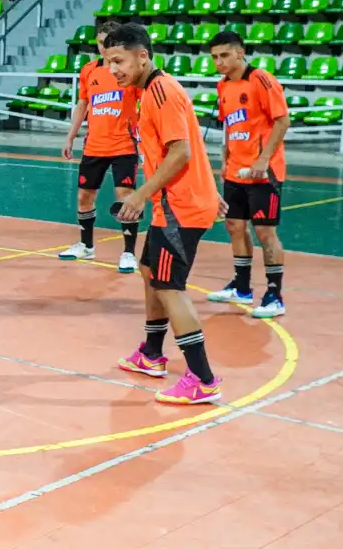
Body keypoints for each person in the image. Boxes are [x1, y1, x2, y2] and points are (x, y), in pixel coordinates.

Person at [105, 24, 224, 405]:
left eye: (119, 61)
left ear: (142, 56)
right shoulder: (146, 91)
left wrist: (140, 194)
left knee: (171, 287)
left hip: (180, 208)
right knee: (149, 272)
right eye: (108, 62)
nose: (113, 70)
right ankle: (152, 354)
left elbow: (181, 153)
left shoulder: (161, 91)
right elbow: (188, 148)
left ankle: (203, 378)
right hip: (174, 203)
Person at [205, 32, 290, 319]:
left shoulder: (261, 79)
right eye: (214, 57)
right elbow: (230, 125)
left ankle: (274, 295)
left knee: (265, 232)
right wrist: (225, 159)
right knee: (234, 226)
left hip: (264, 173)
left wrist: (263, 159)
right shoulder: (222, 86)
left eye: (224, 55)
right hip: (235, 171)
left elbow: (282, 120)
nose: (219, 62)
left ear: (240, 53)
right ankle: (242, 287)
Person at [59, 21, 142, 272]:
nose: (103, 47)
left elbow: (145, 104)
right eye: (99, 42)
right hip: (94, 144)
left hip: (123, 145)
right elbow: (83, 105)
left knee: (125, 197)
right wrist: (70, 137)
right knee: (85, 196)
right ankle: (86, 246)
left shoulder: (129, 72)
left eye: (108, 42)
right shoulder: (89, 71)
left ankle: (128, 252)